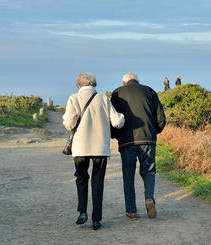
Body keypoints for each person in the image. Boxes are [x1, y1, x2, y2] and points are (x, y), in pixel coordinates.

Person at [62, 73, 125, 230]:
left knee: (81, 178)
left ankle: (82, 212)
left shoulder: (73, 99)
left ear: (78, 85)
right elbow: (117, 121)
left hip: (80, 147)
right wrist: (123, 116)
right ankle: (96, 219)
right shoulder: (103, 99)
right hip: (100, 148)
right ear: (94, 84)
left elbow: (69, 124)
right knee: (98, 182)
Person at [111, 73, 166, 221]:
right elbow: (160, 118)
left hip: (126, 141)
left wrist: (116, 135)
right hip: (148, 139)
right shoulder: (149, 91)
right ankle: (149, 199)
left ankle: (132, 211)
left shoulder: (117, 93)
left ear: (124, 82)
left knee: (128, 175)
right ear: (138, 81)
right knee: (149, 171)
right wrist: (154, 132)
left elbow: (113, 119)